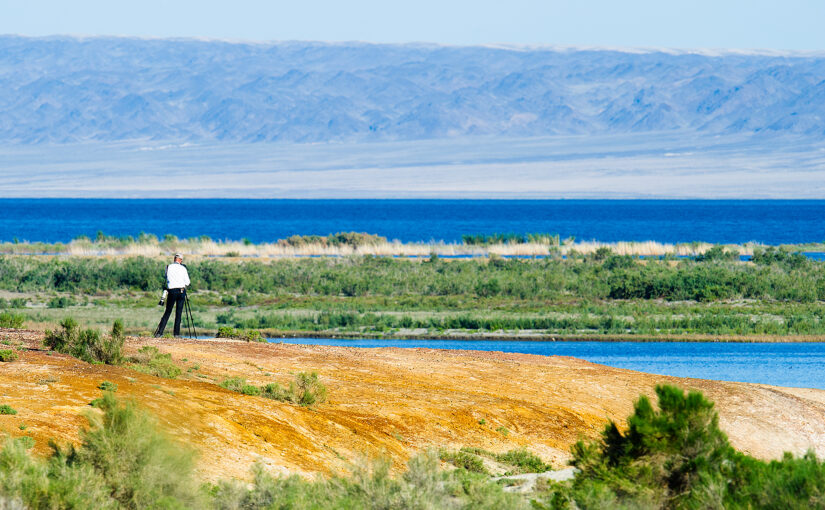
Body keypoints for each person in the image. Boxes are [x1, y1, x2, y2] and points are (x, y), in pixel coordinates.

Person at [154, 253, 190, 337]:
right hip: (181, 291)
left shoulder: (168, 267)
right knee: (179, 313)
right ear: (180, 260)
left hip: (171, 291)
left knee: (167, 312)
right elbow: (188, 282)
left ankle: (159, 333)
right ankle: (176, 334)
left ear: (174, 259)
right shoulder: (183, 268)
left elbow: (166, 278)